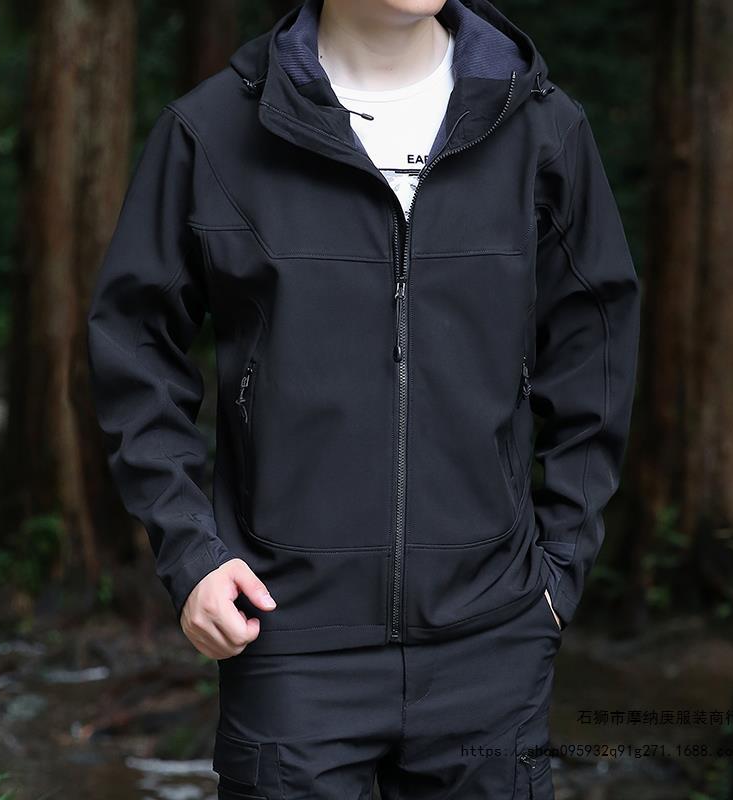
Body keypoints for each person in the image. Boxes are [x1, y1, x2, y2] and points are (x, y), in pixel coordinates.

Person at [86, 0, 641, 796]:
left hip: (492, 640)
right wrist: (192, 553)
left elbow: (595, 349)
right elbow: (133, 348)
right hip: (288, 640)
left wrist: (558, 571)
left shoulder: (540, 128)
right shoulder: (213, 131)